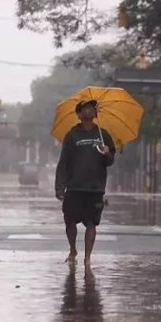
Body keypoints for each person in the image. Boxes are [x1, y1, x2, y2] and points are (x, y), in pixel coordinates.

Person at [55, 99, 116, 268]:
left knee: (91, 223)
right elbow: (64, 162)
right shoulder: (72, 135)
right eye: (85, 109)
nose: (89, 111)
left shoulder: (103, 135)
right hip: (74, 187)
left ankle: (87, 258)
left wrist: (106, 153)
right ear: (79, 114)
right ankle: (73, 249)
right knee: (70, 222)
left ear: (95, 113)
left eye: (91, 108)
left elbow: (110, 162)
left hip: (95, 188)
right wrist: (60, 186)